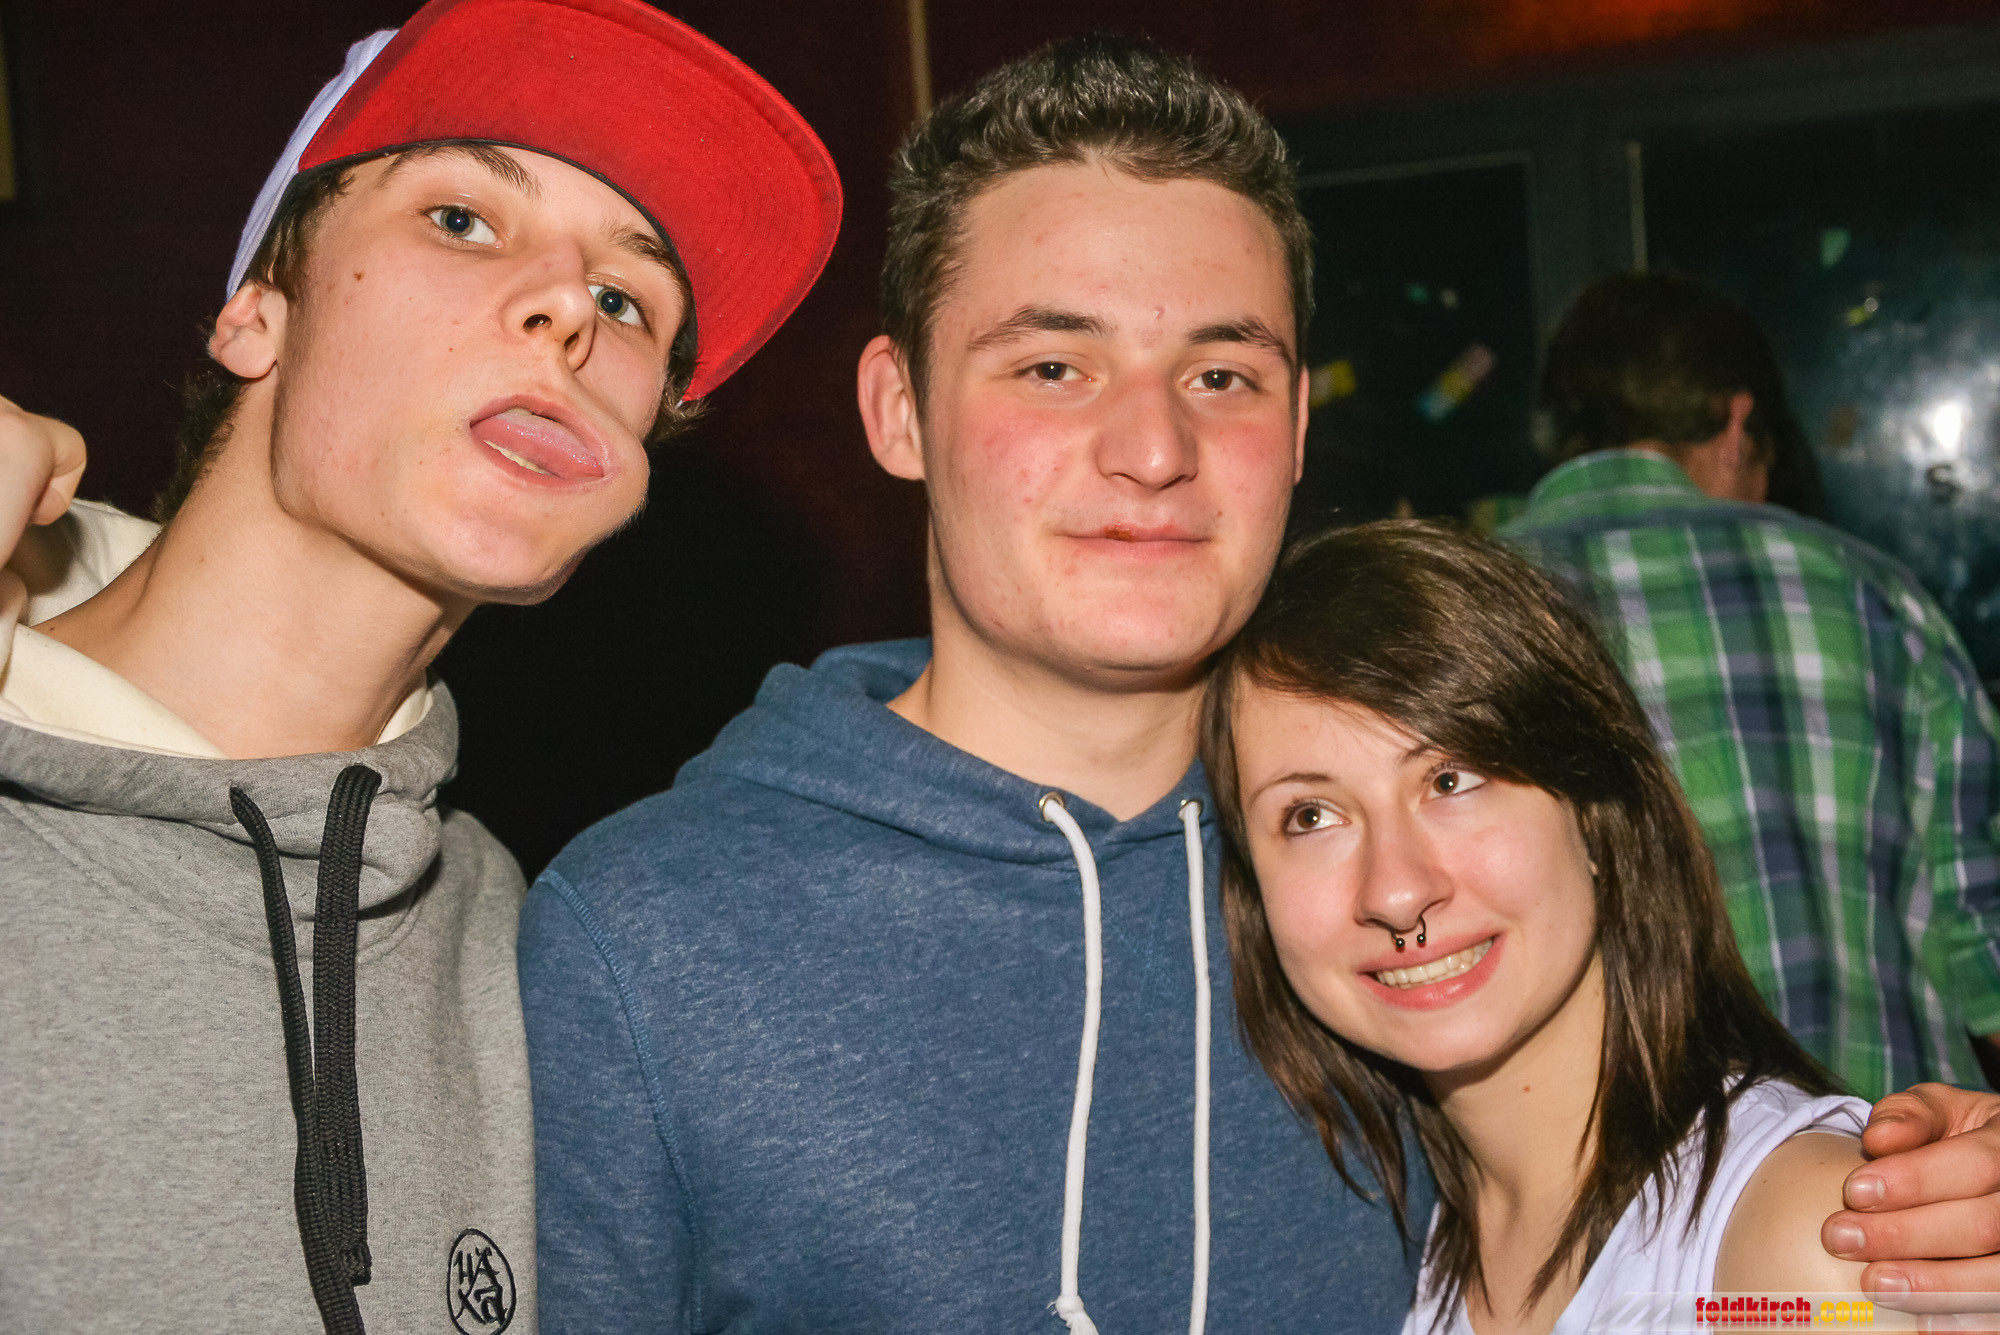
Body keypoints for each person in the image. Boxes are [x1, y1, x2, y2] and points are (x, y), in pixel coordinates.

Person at [519, 36, 2000, 1331]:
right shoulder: (642, 939)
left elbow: (1721, 1249)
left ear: (1295, 427)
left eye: (1221, 375)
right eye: (1054, 367)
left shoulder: (1402, 909)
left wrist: (1925, 1208)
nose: (1153, 449)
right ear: (898, 409)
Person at [0, 2, 839, 1330]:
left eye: (625, 301)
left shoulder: (532, 953)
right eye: (461, 219)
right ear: (258, 316)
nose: (568, 308)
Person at [1204, 520, 1876, 1333]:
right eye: (1311, 815)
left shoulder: (1803, 1243)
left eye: (1451, 779)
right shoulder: (1421, 1253)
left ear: (1591, 812)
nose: (1398, 891)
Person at [1505, 272, 2000, 1099]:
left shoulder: (1470, 601)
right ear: (1738, 424)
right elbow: (1982, 927)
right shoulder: (1874, 593)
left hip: (1618, 1159)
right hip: (1894, 1152)